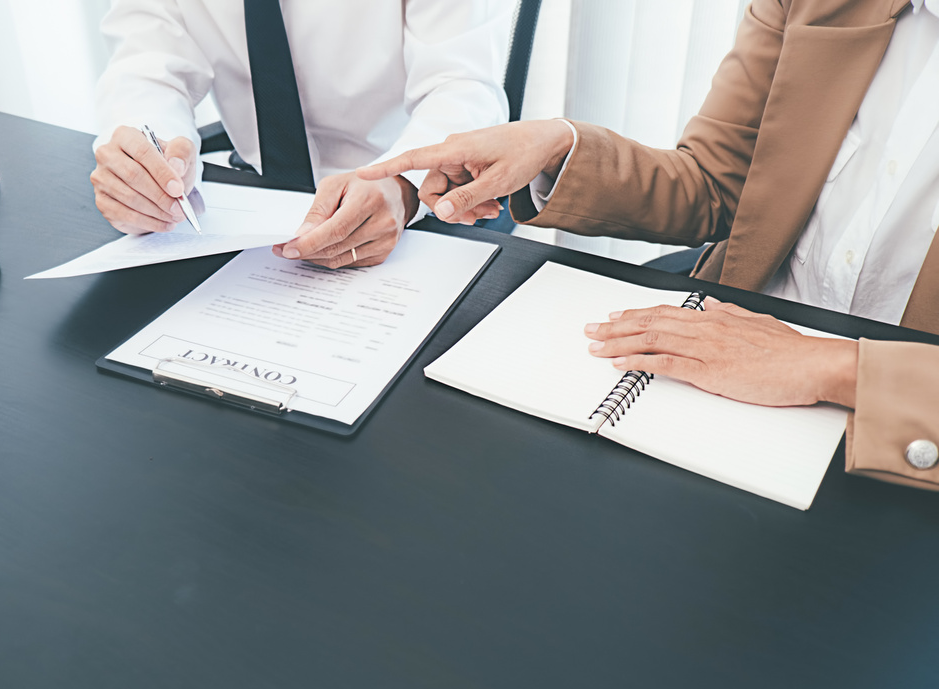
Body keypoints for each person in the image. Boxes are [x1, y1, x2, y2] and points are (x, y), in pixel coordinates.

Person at [360, 0, 939, 490]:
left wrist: (830, 366)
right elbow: (719, 182)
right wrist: (559, 148)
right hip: (724, 363)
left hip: (892, 434)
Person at [90, 0, 510, 269]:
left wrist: (402, 186)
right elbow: (145, 70)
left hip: (408, 199)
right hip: (256, 204)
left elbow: (463, 84)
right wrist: (147, 162)